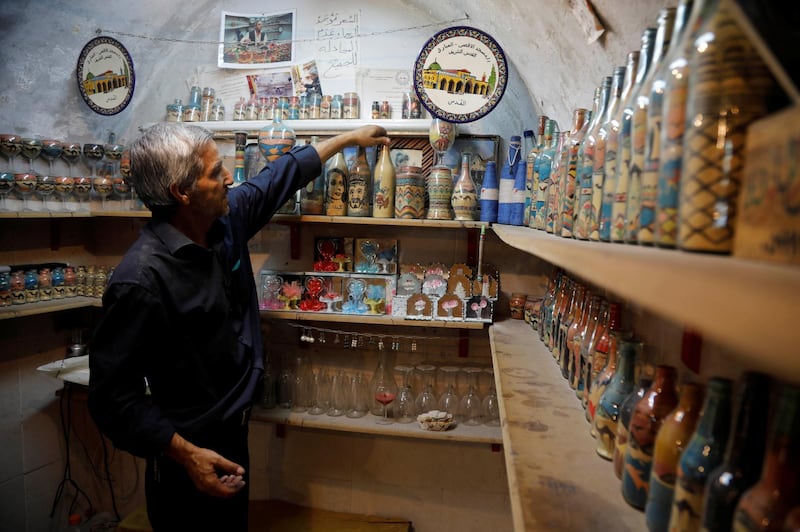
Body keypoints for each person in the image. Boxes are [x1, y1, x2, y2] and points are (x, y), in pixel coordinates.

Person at [87, 122, 389, 531]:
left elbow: (277, 178)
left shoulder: (225, 221)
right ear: (182, 192)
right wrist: (188, 455)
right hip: (184, 453)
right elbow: (112, 400)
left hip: (234, 435)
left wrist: (348, 139)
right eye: (216, 173)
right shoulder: (140, 281)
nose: (230, 178)